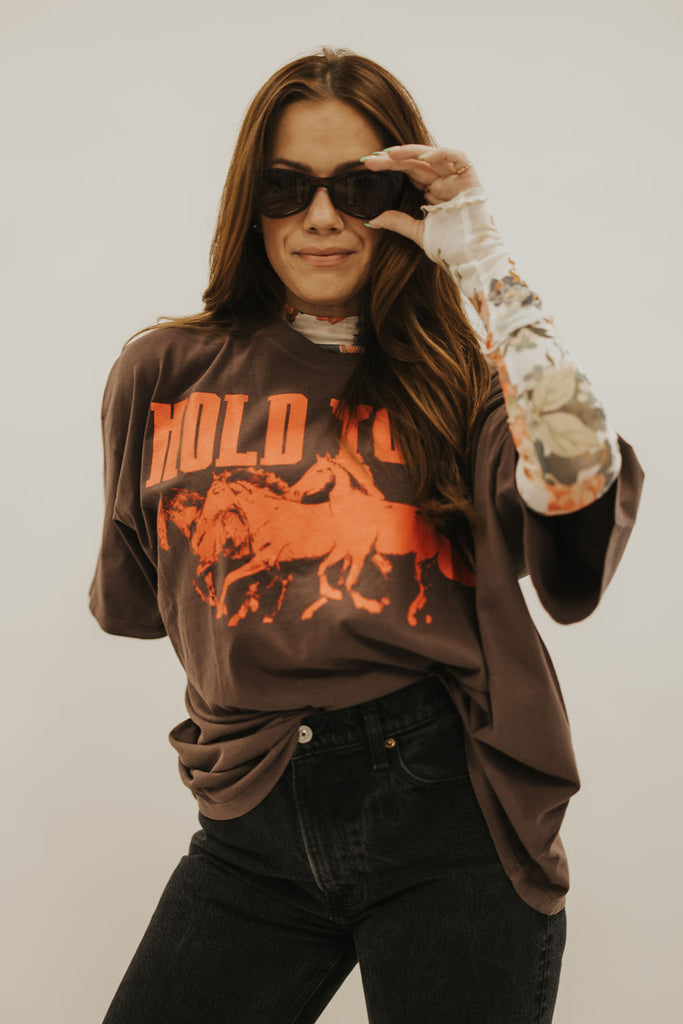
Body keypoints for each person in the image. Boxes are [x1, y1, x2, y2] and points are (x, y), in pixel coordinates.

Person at [89, 47, 643, 1024]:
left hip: (448, 810)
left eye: (356, 187)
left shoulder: (460, 382)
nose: (319, 217)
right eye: (284, 186)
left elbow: (572, 468)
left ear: (400, 200)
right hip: (250, 810)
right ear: (248, 200)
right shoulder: (162, 371)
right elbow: (141, 597)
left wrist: (481, 260)